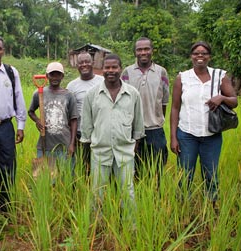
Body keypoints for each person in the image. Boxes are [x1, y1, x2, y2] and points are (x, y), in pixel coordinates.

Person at [170, 41, 237, 202]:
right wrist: (173, 137)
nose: (200, 56)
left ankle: (212, 207)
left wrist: (221, 97)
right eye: (196, 53)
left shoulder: (220, 76)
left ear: (209, 57)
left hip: (211, 135)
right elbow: (175, 108)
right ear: (191, 56)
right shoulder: (182, 78)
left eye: (204, 53)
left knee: (211, 174)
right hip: (187, 135)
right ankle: (183, 208)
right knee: (185, 174)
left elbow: (234, 101)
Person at [80, 54, 145, 218]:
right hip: (100, 151)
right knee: (97, 191)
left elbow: (138, 127)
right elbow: (87, 128)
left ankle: (130, 226)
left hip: (125, 152)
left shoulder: (133, 94)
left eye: (114, 67)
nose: (111, 71)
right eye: (107, 67)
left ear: (120, 69)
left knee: (127, 190)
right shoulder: (92, 94)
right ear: (102, 70)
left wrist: (133, 149)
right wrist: (88, 154)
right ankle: (96, 226)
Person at [0, 35, 27, 213]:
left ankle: (6, 207)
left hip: (7, 127)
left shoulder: (11, 72)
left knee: (8, 167)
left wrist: (21, 125)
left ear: (3, 51)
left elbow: (19, 98)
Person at [121, 37, 170, 183]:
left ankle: (156, 199)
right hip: (132, 131)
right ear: (135, 52)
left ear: (152, 51)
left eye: (146, 49)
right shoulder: (127, 72)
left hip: (155, 130)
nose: (143, 52)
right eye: (139, 49)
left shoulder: (161, 72)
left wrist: (157, 119)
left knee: (157, 170)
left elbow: (164, 102)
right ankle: (137, 200)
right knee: (134, 170)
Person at [28, 62, 77, 171]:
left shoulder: (69, 95)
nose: (55, 77)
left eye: (58, 74)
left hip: (64, 144)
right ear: (46, 76)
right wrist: (37, 120)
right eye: (52, 74)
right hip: (45, 144)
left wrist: (72, 144)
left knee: (65, 175)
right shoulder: (39, 93)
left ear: (62, 76)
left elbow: (74, 120)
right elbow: (31, 111)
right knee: (44, 177)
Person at [67, 52, 104, 175]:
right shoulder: (71, 86)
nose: (84, 65)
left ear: (92, 63)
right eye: (81, 62)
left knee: (100, 167)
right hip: (80, 134)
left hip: (100, 134)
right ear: (76, 65)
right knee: (82, 167)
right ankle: (82, 191)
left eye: (87, 61)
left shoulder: (103, 82)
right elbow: (69, 113)